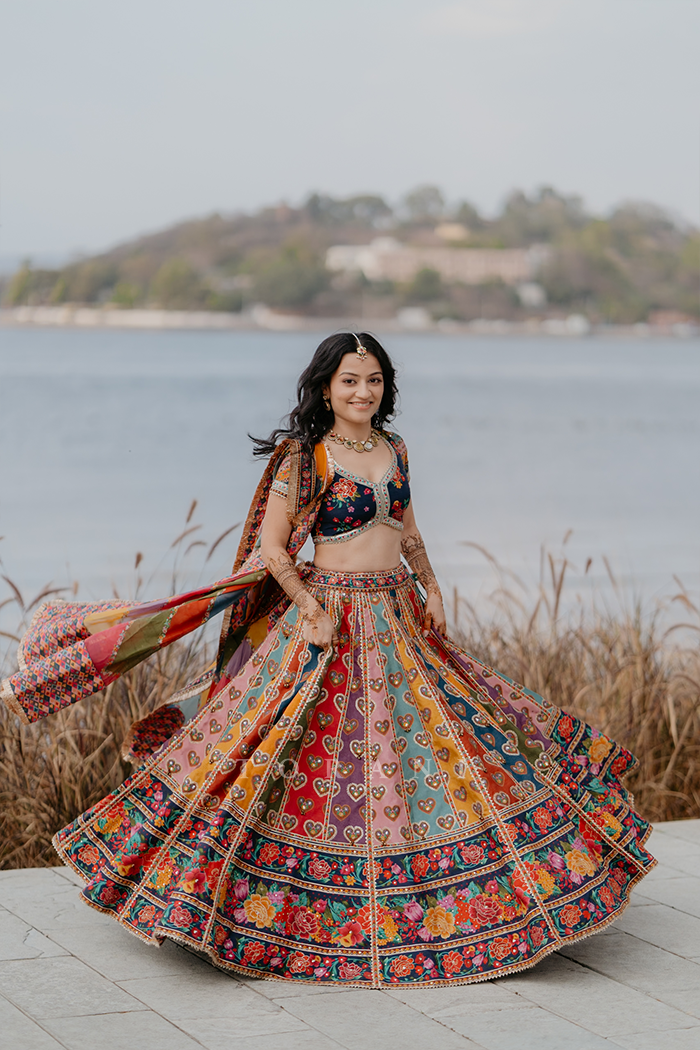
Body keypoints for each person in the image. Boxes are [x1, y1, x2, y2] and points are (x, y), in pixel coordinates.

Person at [2, 332, 655, 988]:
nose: (362, 392)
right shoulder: (304, 457)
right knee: (273, 752)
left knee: (446, 745)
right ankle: (227, 900)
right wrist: (307, 610)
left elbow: (409, 528)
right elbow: (276, 550)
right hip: (327, 620)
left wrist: (434, 587)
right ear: (324, 387)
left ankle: (455, 902)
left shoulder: (395, 448)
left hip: (397, 617)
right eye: (349, 381)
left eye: (373, 380)